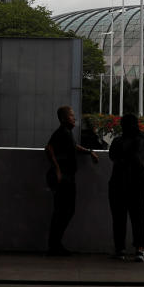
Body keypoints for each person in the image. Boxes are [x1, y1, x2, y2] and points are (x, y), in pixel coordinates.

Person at [44, 104, 98, 255]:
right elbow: (48, 149)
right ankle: (54, 246)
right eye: (71, 116)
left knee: (64, 211)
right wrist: (57, 170)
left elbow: (74, 147)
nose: (74, 118)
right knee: (62, 211)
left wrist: (90, 152)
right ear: (63, 119)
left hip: (68, 178)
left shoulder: (67, 133)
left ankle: (56, 244)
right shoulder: (62, 132)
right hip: (64, 179)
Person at [108, 114, 144, 262]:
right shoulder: (143, 141)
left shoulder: (117, 141)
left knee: (119, 218)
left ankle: (120, 250)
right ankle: (140, 249)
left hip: (118, 184)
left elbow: (113, 157)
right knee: (138, 217)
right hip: (137, 184)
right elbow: (141, 158)